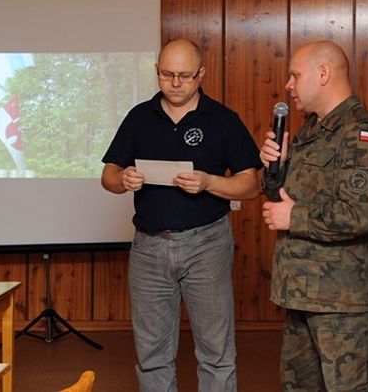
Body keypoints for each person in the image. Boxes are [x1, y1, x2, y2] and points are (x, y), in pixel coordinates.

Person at [101, 38, 262, 392]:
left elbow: (251, 185)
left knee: (216, 351)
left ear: (201, 74)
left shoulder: (223, 120)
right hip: (148, 247)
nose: (175, 82)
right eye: (167, 74)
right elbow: (108, 175)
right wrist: (122, 179)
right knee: (151, 354)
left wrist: (209, 182)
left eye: (185, 76)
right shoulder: (139, 117)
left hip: (207, 243)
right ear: (157, 72)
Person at [260, 40, 368, 391]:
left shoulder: (361, 134)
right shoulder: (312, 130)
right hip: (302, 295)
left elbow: (362, 214)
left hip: (343, 305)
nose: (288, 85)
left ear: (323, 74)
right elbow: (285, 197)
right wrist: (276, 167)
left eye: (295, 75)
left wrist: (295, 217)